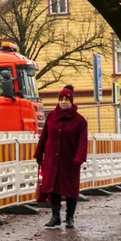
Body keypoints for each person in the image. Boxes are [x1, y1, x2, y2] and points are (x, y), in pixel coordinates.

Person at [35, 85, 89, 229]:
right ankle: (55, 216)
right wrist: (39, 154)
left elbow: (82, 142)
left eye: (66, 99)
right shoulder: (52, 116)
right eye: (61, 99)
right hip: (52, 158)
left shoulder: (80, 120)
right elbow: (44, 136)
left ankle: (69, 218)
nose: (64, 102)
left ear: (71, 101)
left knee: (71, 189)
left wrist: (79, 157)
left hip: (70, 160)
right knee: (53, 187)